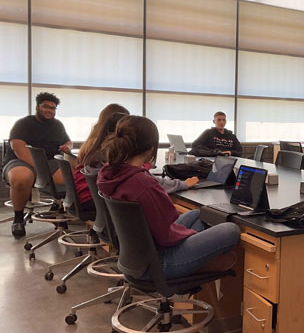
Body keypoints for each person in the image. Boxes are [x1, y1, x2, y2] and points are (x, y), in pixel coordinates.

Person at [98, 115, 240, 279]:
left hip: (137, 254)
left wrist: (190, 236)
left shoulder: (111, 173)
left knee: (201, 214)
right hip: (158, 262)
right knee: (231, 229)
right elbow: (166, 234)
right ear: (151, 148)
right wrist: (191, 237)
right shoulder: (144, 184)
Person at [74, 110, 198, 212]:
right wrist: (183, 184)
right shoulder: (140, 181)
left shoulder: (106, 166)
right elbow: (166, 231)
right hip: (156, 238)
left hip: (107, 214)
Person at [2, 92, 72, 238]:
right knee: (21, 178)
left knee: (69, 177)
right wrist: (41, 170)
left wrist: (67, 146)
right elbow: (19, 149)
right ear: (37, 107)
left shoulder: (57, 125)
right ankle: (18, 218)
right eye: (46, 107)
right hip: (20, 160)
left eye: (53, 108)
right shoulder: (24, 124)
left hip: (49, 161)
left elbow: (68, 141)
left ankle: (56, 208)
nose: (49, 110)